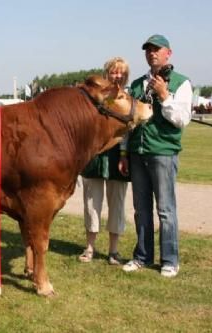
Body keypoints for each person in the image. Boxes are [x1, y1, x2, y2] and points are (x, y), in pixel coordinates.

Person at [122, 34, 192, 277]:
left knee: (165, 209)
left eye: (157, 49)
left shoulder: (181, 83)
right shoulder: (138, 84)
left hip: (163, 152)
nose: (152, 53)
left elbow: (181, 120)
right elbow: (128, 122)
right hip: (137, 152)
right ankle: (142, 256)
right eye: (148, 50)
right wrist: (124, 152)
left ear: (168, 53)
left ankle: (170, 260)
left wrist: (164, 95)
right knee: (141, 209)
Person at [78, 57, 130, 265]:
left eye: (121, 72)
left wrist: (125, 156)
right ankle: (89, 247)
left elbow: (127, 129)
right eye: (113, 71)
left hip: (119, 155)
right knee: (92, 201)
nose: (117, 75)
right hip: (96, 155)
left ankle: (113, 250)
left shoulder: (128, 98)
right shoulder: (95, 97)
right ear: (106, 73)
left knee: (117, 202)